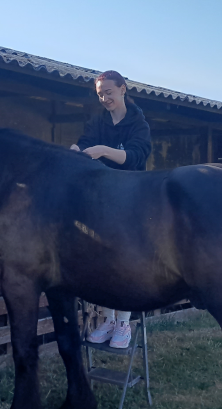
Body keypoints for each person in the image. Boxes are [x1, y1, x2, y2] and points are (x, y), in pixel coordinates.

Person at [70, 70, 152, 348]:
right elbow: (84, 143)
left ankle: (123, 322)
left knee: (125, 260)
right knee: (100, 259)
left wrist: (103, 150)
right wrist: (75, 149)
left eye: (109, 92)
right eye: (100, 94)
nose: (105, 98)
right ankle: (106, 318)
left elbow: (135, 157)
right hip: (102, 196)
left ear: (123, 89)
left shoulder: (138, 122)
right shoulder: (98, 121)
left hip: (130, 195)